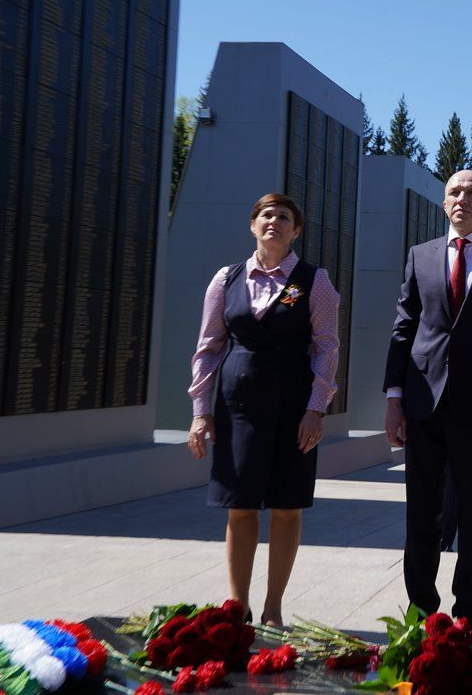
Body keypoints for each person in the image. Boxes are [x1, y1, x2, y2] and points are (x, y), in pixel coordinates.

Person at [383, 170, 472, 626]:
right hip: (423, 406)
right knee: (421, 515)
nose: (461, 199)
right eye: (454, 193)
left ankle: (467, 616)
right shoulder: (420, 256)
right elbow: (404, 327)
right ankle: (421, 611)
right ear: (444, 204)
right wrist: (393, 397)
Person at [187, 193, 338, 626]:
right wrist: (201, 410)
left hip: (294, 410)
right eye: (266, 215)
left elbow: (327, 348)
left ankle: (272, 610)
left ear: (296, 230)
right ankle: (238, 606)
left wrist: (316, 409)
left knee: (288, 506)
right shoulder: (226, 279)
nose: (274, 222)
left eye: (284, 217)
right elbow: (208, 347)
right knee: (241, 505)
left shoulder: (314, 281)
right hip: (237, 408)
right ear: (253, 225)